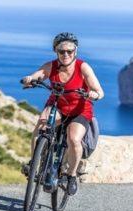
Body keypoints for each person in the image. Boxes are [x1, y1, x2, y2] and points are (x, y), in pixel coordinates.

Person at [20, 32, 103, 196]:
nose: (66, 54)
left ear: (75, 51)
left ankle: (71, 176)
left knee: (73, 139)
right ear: (56, 51)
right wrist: (30, 78)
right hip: (58, 105)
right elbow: (39, 74)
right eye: (61, 51)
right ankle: (34, 163)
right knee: (42, 124)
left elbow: (99, 91)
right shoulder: (51, 66)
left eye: (70, 51)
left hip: (80, 109)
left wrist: (95, 94)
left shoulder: (83, 67)